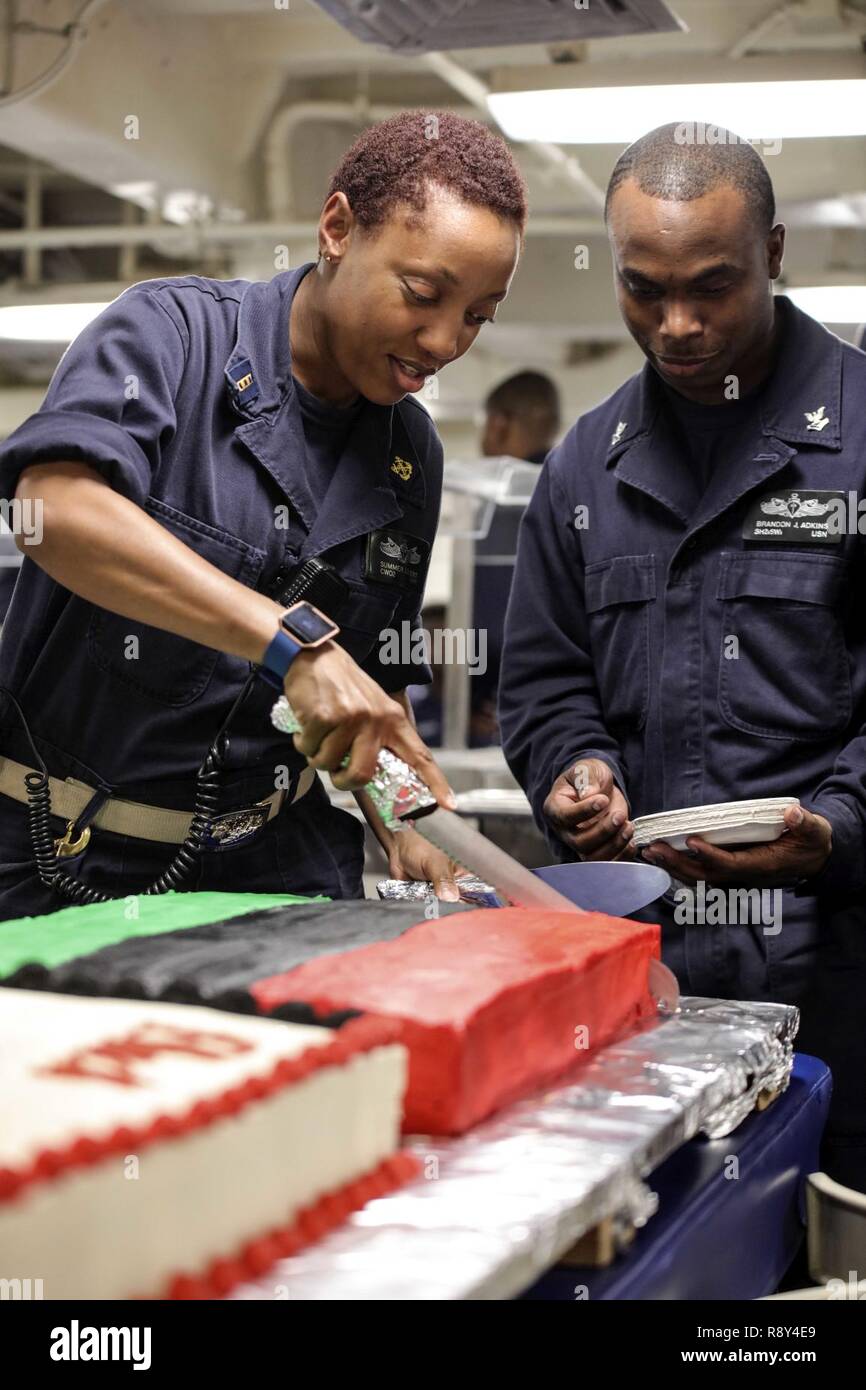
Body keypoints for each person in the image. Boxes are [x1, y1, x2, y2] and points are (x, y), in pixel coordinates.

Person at [0, 110, 525, 918]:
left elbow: (372, 678)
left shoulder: (410, 455)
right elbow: (56, 509)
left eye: (478, 317)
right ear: (338, 227)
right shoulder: (173, 337)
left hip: (275, 870)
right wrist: (290, 647)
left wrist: (404, 816)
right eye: (423, 294)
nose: (445, 340)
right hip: (59, 858)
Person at [500, 123, 866, 1191]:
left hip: (838, 955)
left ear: (773, 252)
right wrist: (572, 768)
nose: (676, 324)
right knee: (669, 1236)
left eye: (712, 285)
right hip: (646, 966)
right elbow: (542, 678)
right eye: (641, 289)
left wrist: (835, 827)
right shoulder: (583, 467)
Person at [471, 371, 561, 744]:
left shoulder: (501, 503)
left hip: (507, 702)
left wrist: (477, 697)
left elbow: (490, 626)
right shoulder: (568, 487)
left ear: (499, 423)